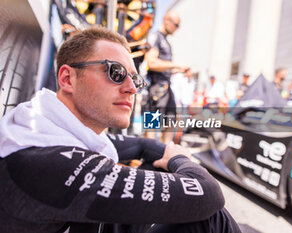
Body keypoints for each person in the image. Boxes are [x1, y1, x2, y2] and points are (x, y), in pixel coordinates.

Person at [0, 27, 241, 233]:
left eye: (136, 80)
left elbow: (144, 145)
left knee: (151, 166)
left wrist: (167, 156)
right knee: (210, 218)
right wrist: (180, 158)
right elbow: (208, 193)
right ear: (67, 79)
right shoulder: (43, 160)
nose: (132, 89)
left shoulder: (45, 123)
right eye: (115, 72)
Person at [144, 10, 190, 143]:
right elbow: (151, 62)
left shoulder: (166, 41)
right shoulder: (155, 37)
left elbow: (164, 68)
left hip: (166, 87)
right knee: (152, 126)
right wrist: (174, 64)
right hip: (156, 88)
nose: (177, 29)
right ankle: (149, 157)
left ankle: (165, 155)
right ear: (166, 20)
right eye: (176, 25)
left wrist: (178, 69)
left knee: (170, 122)